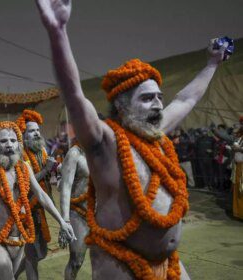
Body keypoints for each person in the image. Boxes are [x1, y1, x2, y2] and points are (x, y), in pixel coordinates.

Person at [36, 0, 230, 278]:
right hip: (121, 265)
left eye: (160, 98)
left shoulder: (155, 132)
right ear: (123, 106)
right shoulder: (105, 142)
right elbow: (74, 96)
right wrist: (58, 32)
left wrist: (212, 64)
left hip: (169, 263)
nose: (158, 105)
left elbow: (186, 98)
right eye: (148, 98)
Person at [0, 121, 75, 280]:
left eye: (13, 140)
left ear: (18, 143)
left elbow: (41, 195)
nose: (9, 144)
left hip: (20, 238)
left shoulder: (24, 168)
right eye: (3, 141)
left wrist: (63, 222)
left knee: (4, 276)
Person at [15, 109, 58, 280]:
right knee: (33, 255)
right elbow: (26, 182)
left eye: (38, 131)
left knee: (40, 253)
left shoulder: (41, 151)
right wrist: (46, 169)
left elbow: (45, 177)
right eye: (32, 131)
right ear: (24, 135)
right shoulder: (19, 155)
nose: (36, 133)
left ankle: (13, 274)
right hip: (26, 210)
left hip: (39, 208)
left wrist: (55, 170)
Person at [59, 141, 89, 279]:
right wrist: (65, 221)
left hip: (100, 214)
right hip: (78, 214)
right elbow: (65, 188)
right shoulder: (74, 154)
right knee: (76, 261)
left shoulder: (100, 152)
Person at [231, 119, 243, 219]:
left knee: (241, 188)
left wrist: (239, 149)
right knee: (237, 187)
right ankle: (238, 212)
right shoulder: (239, 137)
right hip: (238, 166)